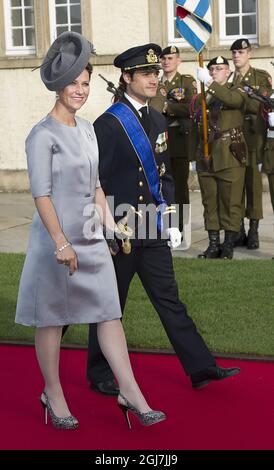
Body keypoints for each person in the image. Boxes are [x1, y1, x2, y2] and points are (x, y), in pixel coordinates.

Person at [15, 32, 166, 430]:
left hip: (90, 235)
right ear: (58, 85)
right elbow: (41, 195)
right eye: (74, 83)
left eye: (85, 83)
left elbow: (97, 186)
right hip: (56, 240)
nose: (81, 91)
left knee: (109, 312)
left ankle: (130, 391)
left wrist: (112, 227)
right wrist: (61, 242)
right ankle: (54, 392)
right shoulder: (41, 134)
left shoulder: (86, 129)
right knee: (51, 320)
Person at [86, 44, 240, 396]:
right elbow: (95, 182)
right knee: (112, 304)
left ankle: (200, 367)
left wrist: (171, 219)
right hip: (120, 226)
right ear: (126, 78)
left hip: (151, 224)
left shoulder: (157, 119)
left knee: (169, 298)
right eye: (146, 73)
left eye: (156, 72)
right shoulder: (108, 124)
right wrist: (104, 230)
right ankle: (98, 373)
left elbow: (165, 174)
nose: (155, 78)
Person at [194, 56, 248, 260]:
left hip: (229, 154)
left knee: (231, 201)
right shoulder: (203, 96)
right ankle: (213, 244)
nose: (215, 72)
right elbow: (196, 126)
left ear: (228, 72)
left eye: (219, 68)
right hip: (206, 155)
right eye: (212, 69)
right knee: (210, 202)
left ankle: (228, 246)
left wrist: (209, 82)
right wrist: (194, 156)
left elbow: (232, 100)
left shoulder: (237, 90)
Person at [230, 38, 272, 249]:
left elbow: (260, 105)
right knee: (235, 186)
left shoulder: (261, 77)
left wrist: (236, 101)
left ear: (249, 54)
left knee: (254, 185)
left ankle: (254, 230)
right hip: (234, 139)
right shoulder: (228, 79)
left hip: (254, 138)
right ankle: (238, 229)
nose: (237, 56)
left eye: (241, 52)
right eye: (234, 52)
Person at [150, 45, 197, 231]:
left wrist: (169, 108)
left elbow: (191, 108)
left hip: (178, 140)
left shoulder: (186, 82)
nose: (166, 62)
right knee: (160, 185)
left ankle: (181, 225)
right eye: (164, 59)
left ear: (179, 60)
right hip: (159, 141)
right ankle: (165, 223)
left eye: (170, 58)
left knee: (179, 186)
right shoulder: (156, 83)